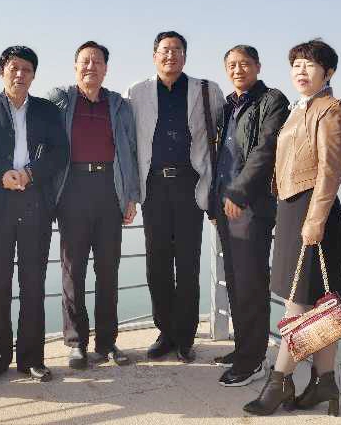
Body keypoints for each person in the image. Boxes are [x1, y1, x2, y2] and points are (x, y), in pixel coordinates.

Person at [244, 39, 341, 416]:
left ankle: (279, 381)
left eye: (310, 65)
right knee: (319, 302)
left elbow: (329, 171)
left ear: (328, 72)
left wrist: (315, 220)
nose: (301, 71)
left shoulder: (331, 109)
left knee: (298, 304)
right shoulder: (298, 108)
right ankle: (324, 382)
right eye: (296, 65)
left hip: (312, 213)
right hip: (291, 211)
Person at [126, 31, 224, 363]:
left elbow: (224, 136)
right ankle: (165, 332)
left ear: (185, 56)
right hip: (153, 187)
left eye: (177, 50)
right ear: (155, 55)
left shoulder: (206, 90)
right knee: (157, 264)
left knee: (187, 263)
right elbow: (127, 141)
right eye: (165, 50)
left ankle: (185, 337)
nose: (171, 55)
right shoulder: (137, 92)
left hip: (189, 187)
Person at [0, 46, 68, 384]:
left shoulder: (47, 110)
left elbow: (60, 152)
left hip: (35, 204)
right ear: (2, 71)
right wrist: (1, 173)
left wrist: (30, 173)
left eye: (26, 69)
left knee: (33, 284)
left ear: (34, 75)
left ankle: (32, 359)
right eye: (13, 68)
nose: (19, 74)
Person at [46, 41, 140, 370]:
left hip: (109, 190)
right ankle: (76, 343)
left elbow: (130, 150)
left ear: (106, 69)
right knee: (73, 271)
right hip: (72, 189)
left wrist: (131, 196)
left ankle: (107, 341)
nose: (91, 67)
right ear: (75, 67)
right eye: (85, 61)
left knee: (108, 270)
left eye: (97, 62)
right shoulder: (60, 100)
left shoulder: (118, 105)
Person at [210, 45, 289, 387]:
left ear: (258, 66)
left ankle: (253, 361)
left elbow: (265, 150)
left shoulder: (272, 101)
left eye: (244, 63)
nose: (237, 69)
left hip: (250, 206)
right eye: (231, 65)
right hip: (225, 205)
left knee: (251, 284)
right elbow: (218, 155)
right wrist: (215, 201)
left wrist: (238, 193)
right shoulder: (228, 105)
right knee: (235, 281)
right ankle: (244, 348)